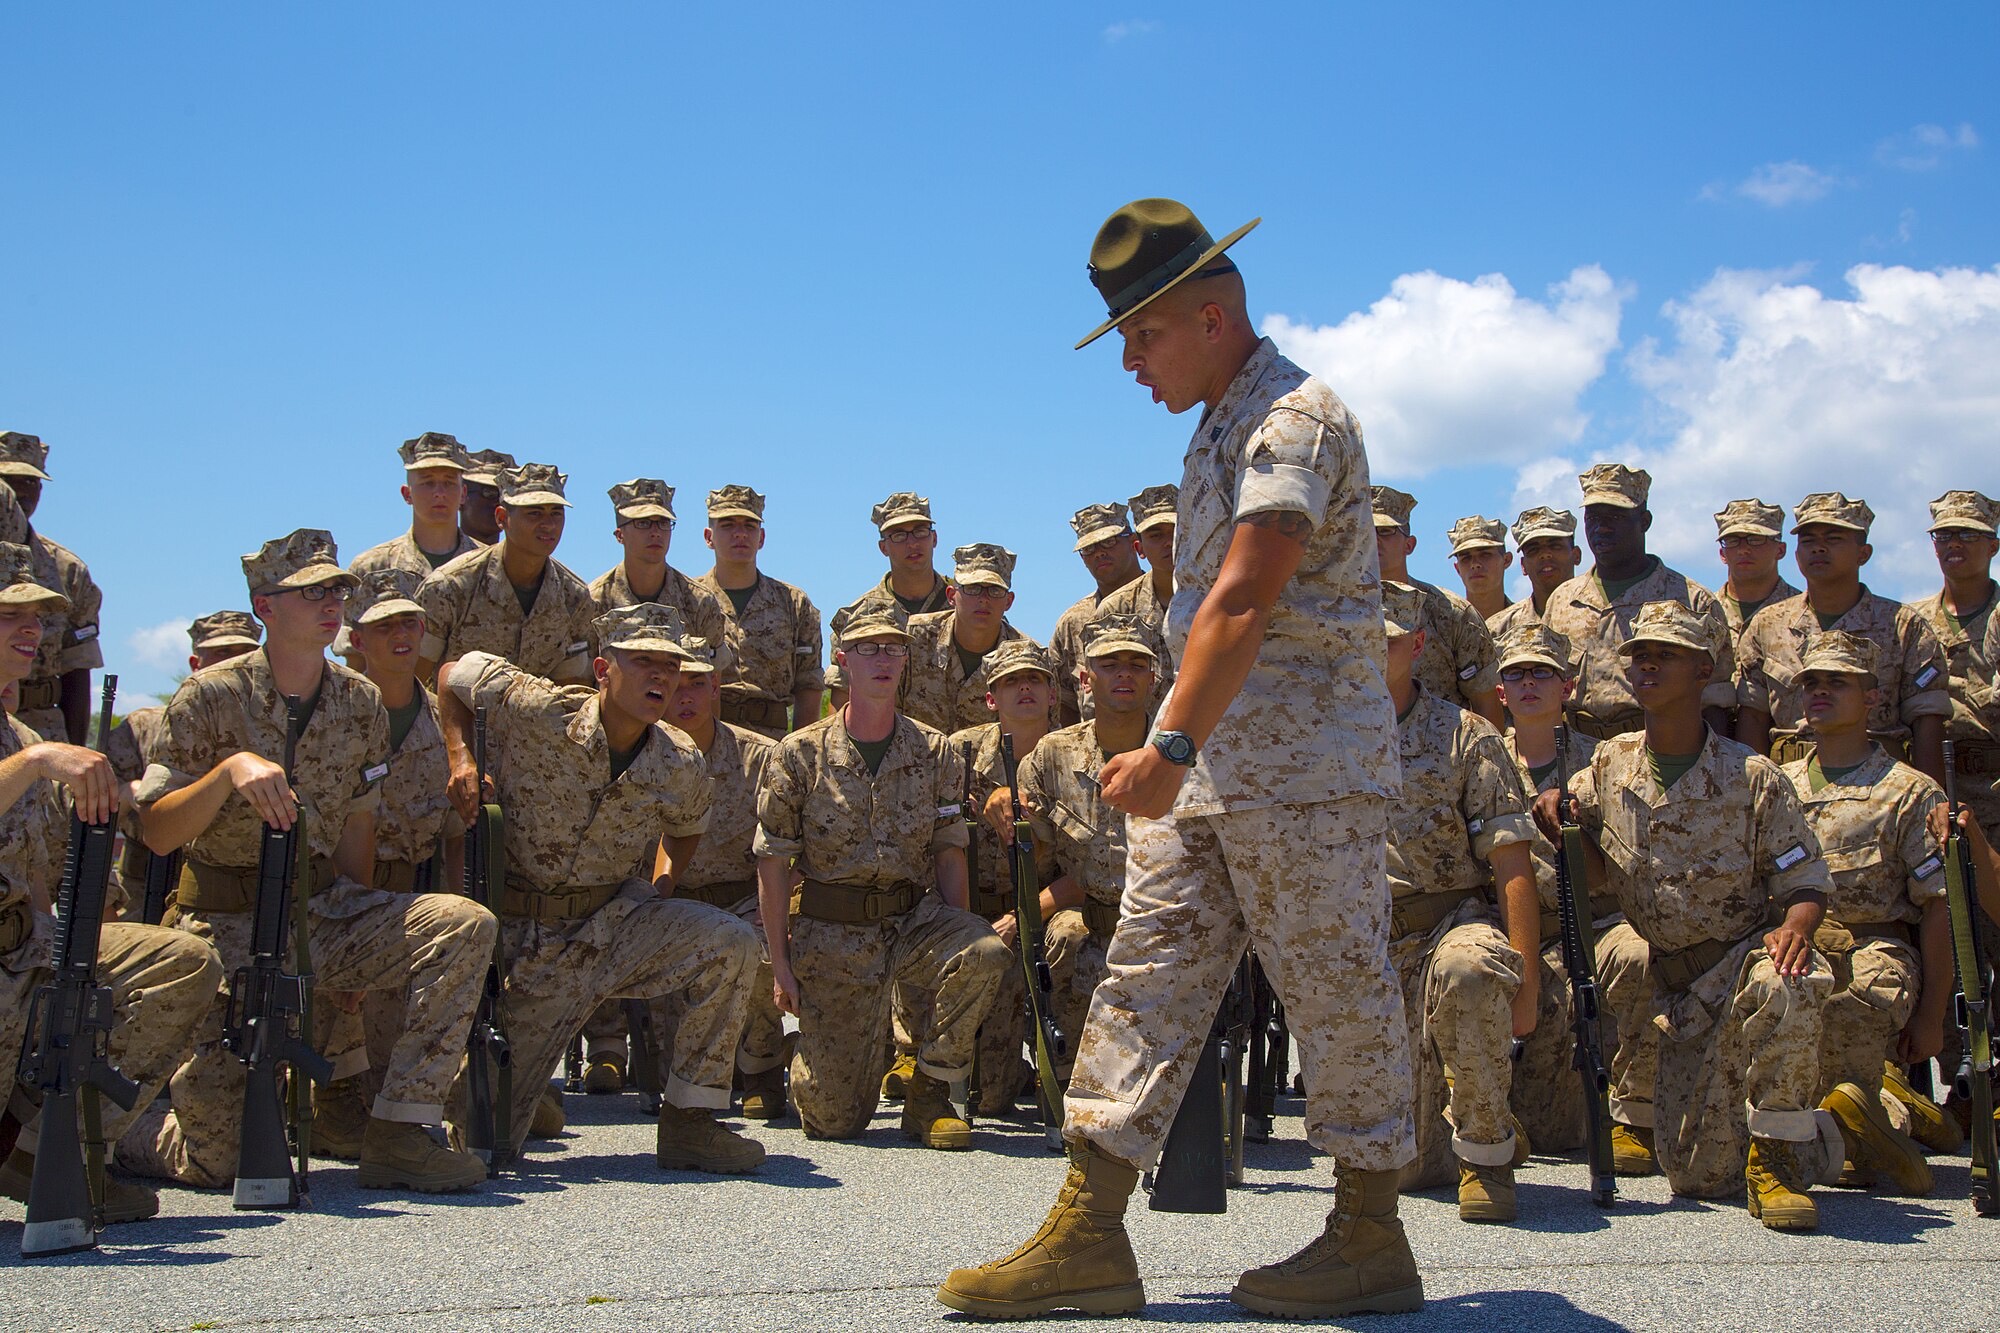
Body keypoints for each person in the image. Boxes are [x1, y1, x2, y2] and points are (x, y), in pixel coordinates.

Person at [941, 198, 1419, 1321]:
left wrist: (1164, 740)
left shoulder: (1293, 421)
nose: (1128, 362)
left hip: (1302, 776)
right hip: (1214, 776)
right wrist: (1185, 754)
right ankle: (1089, 1232)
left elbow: (1247, 593)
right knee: (1143, 976)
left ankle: (1369, 1233)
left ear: (1208, 317)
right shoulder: (1213, 426)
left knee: (1336, 992)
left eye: (1139, 337)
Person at [120, 529, 496, 1194]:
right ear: (265, 606)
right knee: (219, 1160)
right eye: (311, 591)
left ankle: (401, 1131)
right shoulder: (209, 697)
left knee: (462, 923)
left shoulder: (359, 701)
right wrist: (229, 772)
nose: (332, 601)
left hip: (322, 907)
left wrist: (356, 950)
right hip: (225, 921)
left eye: (336, 589)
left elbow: (358, 826)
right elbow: (152, 830)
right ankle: (128, 1134)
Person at [1534, 600, 1842, 1229]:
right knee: (1699, 1177)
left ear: (1703, 670)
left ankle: (1780, 1160)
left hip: (1740, 969)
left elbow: (1807, 879)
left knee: (1789, 979)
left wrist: (1797, 925)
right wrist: (1560, 828)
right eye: (1639, 654)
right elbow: (1597, 874)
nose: (1646, 664)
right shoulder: (1609, 766)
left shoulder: (1750, 776)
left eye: (1664, 655)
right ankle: (1854, 1129)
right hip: (1672, 991)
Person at [437, 603, 766, 1172]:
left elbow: (687, 828)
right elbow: (450, 676)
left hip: (615, 924)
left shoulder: (677, 757)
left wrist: (661, 886)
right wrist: (460, 757)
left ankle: (691, 1121)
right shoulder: (538, 708)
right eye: (643, 663)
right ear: (601, 669)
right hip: (529, 943)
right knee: (487, 1144)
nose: (661, 677)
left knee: (730, 942)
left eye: (670, 665)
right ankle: (528, 1092)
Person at [0, 542, 223, 1230]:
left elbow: (35, 871)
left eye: (40, 616)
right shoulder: (31, 749)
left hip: (18, 951)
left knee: (177, 961)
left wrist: (58, 953)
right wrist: (38, 760)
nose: (32, 628)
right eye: (10, 616)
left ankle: (38, 1150)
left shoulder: (14, 733)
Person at [756, 604, 1008, 1148]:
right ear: (843, 660)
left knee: (985, 951)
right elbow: (773, 868)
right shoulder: (798, 755)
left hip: (911, 919)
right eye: (867, 649)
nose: (882, 659)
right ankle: (815, 1050)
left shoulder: (936, 751)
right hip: (833, 934)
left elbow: (948, 852)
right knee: (833, 1123)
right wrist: (781, 967)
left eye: (894, 648)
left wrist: (957, 937)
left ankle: (930, 1092)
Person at [1377, 583, 1539, 1222]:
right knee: (1410, 1170)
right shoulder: (1320, 737)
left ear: (1416, 647)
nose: (1371, 651)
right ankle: (1461, 1120)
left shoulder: (1463, 734)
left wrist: (1523, 983)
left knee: (1473, 969)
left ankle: (1488, 1153)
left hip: (1449, 922)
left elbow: (1511, 863)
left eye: (1387, 641)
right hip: (1364, 941)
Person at [1778, 631, 1946, 1197]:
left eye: (1837, 682)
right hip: (1794, 944)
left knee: (1857, 1001)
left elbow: (1939, 909)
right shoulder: (1777, 784)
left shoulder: (1909, 791)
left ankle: (1883, 1116)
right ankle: (1891, 1102)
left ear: (1872, 696)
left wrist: (1931, 1016)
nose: (1820, 693)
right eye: (1812, 683)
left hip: (1876, 949)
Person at [310, 568, 470, 1159]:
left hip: (409, 902)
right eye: (384, 625)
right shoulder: (337, 710)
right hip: (338, 898)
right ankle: (328, 1099)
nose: (401, 635)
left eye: (411, 622)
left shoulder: (443, 726)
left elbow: (455, 833)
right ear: (357, 639)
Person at [1013, 618, 1159, 1075]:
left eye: (1137, 665)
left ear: (1154, 679)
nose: (1124, 674)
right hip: (1086, 925)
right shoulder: (1051, 756)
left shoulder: (1179, 753)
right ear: (1084, 678)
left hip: (1162, 927)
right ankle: (1059, 1068)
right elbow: (1034, 862)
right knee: (1066, 937)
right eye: (1110, 664)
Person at [652, 637, 787, 1119]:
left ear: (716, 688)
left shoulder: (762, 757)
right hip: (666, 903)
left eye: (697, 684)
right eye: (674, 685)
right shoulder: (637, 751)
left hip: (742, 900)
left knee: (761, 946)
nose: (684, 697)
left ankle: (761, 1067)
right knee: (670, 1071)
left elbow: (784, 852)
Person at [1736, 493, 1949, 783]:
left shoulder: (1903, 625)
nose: (1819, 548)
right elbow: (1753, 716)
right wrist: (1752, 794)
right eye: (1808, 541)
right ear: (1796, 553)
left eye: (1833, 539)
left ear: (1864, 553)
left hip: (1880, 790)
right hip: (1786, 785)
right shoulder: (1767, 624)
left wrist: (1933, 800)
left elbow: (1927, 721)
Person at [1491, 622, 1602, 1157]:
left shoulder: (1604, 762)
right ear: (1500, 691)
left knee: (1561, 1136)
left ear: (1569, 685)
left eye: (1542, 672)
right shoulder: (1481, 756)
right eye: (1516, 674)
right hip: (1505, 928)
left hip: (1586, 930)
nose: (1528, 683)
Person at [939, 638, 1062, 1112]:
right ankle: (921, 1055)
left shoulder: (1075, 754)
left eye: (1034, 679)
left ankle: (1062, 1068)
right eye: (1011, 681)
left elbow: (1090, 868)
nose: (1024, 688)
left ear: (1053, 694)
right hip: (969, 902)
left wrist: (1020, 917)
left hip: (1046, 907)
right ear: (991, 699)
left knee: (992, 1097)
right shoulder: (958, 753)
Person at [1540, 464, 1736, 741]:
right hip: (1577, 752)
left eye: (1616, 517)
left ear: (1644, 521)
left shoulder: (1690, 599)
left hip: (1658, 748)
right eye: (1593, 517)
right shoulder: (1562, 600)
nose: (1601, 528)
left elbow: (1717, 699)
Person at [106, 613, 263, 907]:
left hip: (224, 896)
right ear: (196, 664)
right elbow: (85, 798)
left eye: (246, 655)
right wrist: (127, 791)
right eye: (223, 653)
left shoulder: (266, 735)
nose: (235, 665)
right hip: (141, 886)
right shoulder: (142, 727)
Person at [414, 464, 599, 687]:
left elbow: (573, 689)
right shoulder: (450, 587)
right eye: (534, 513)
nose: (548, 525)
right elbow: (413, 680)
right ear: (502, 518)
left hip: (537, 720)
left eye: (556, 513)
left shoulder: (573, 598)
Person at [694, 485, 824, 739]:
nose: (740, 534)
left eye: (749, 526)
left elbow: (809, 684)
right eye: (728, 525)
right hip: (704, 743)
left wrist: (799, 753)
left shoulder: (794, 604)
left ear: (761, 538)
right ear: (709, 537)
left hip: (773, 743)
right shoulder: (690, 601)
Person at [0, 431, 103, 744]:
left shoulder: (67, 570)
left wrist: (76, 752)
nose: (21, 491)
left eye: (31, 481)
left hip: (42, 729)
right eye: (8, 479)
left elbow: (77, 669)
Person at [1908, 490, 2000, 836]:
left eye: (1968, 534)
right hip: (1931, 791)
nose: (1954, 544)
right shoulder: (1911, 621)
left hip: (1993, 787)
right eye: (1944, 535)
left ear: (1993, 546)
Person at [1371, 486, 1501, 726]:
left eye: (1386, 531)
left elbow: (1485, 702)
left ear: (1409, 545)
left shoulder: (1450, 613)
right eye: (1366, 530)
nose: (1374, 539)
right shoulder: (1336, 608)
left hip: (1442, 755)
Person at [826, 492, 955, 710]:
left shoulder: (966, 603)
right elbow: (841, 701)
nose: (912, 543)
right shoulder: (857, 616)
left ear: (934, 539)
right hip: (888, 740)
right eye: (898, 535)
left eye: (920, 531)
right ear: (883, 547)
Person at [902, 543, 1042, 734]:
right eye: (973, 588)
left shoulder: (1031, 659)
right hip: (918, 761)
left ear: (1008, 601)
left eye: (994, 590)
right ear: (951, 595)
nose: (984, 599)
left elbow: (1043, 735)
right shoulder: (910, 638)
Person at [587, 478, 730, 656]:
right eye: (643, 523)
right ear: (620, 535)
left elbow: (714, 676)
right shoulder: (595, 601)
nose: (655, 533)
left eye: (663, 523)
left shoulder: (698, 601)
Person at [1048, 503, 1144, 725]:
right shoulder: (1072, 623)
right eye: (1089, 548)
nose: (1100, 553)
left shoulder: (1168, 602)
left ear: (1133, 542)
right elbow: (1063, 703)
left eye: (1109, 541)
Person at [350, 434, 484, 580]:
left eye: (449, 483)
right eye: (428, 483)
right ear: (407, 494)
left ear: (463, 494)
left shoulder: (489, 565)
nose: (439, 493)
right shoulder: (373, 567)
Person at [1094, 484, 1178, 706]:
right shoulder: (1117, 608)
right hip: (1142, 737)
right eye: (1156, 535)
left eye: (1176, 530)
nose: (1168, 542)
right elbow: (1099, 693)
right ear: (1139, 548)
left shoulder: (1219, 595)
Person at [1486, 506, 1582, 641]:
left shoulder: (1601, 615)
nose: (1544, 555)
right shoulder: (1499, 630)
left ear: (1576, 555)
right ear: (1523, 566)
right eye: (1533, 550)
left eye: (1555, 546)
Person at [1713, 499, 1797, 644]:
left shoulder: (1801, 612)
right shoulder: (1704, 612)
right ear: (1722, 554)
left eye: (1755, 539)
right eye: (1732, 541)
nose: (1743, 549)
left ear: (1780, 550)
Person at [1446, 516, 1512, 624]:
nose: (1475, 564)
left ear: (1506, 560)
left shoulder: (1530, 622)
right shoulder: (1444, 626)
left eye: (1485, 555)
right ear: (1457, 569)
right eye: (1466, 558)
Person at [457, 449, 516, 546]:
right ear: (461, 496)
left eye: (505, 494)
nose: (499, 502)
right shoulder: (437, 552)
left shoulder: (527, 560)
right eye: (489, 493)